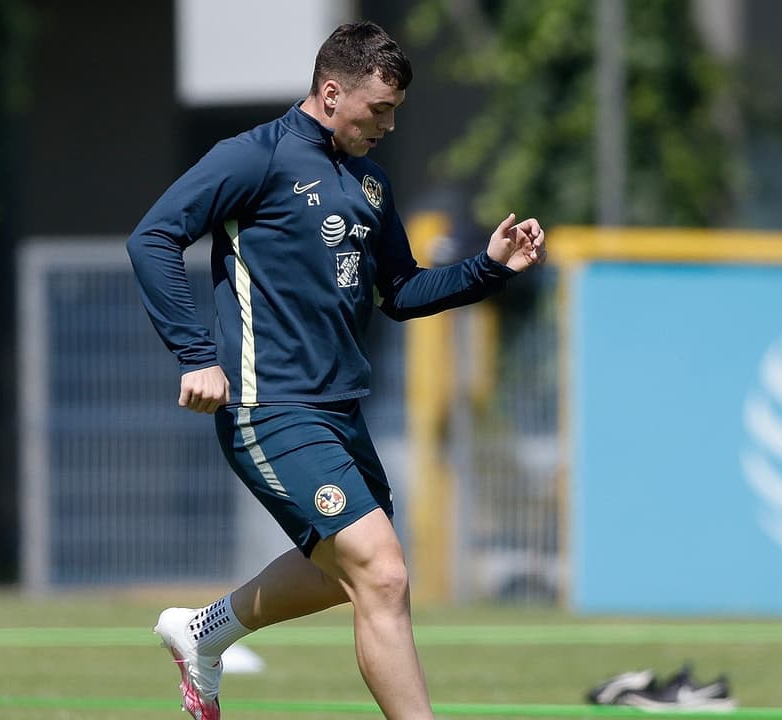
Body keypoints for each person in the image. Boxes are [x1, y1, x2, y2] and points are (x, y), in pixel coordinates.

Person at [126, 21, 546, 720]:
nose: (387, 125)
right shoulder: (254, 157)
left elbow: (401, 292)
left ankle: (204, 633)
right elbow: (153, 239)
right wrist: (197, 356)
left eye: (395, 111)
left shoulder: (370, 183)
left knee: (343, 574)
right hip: (270, 407)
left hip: (340, 412)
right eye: (378, 109)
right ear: (329, 93)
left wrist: (489, 268)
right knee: (382, 572)